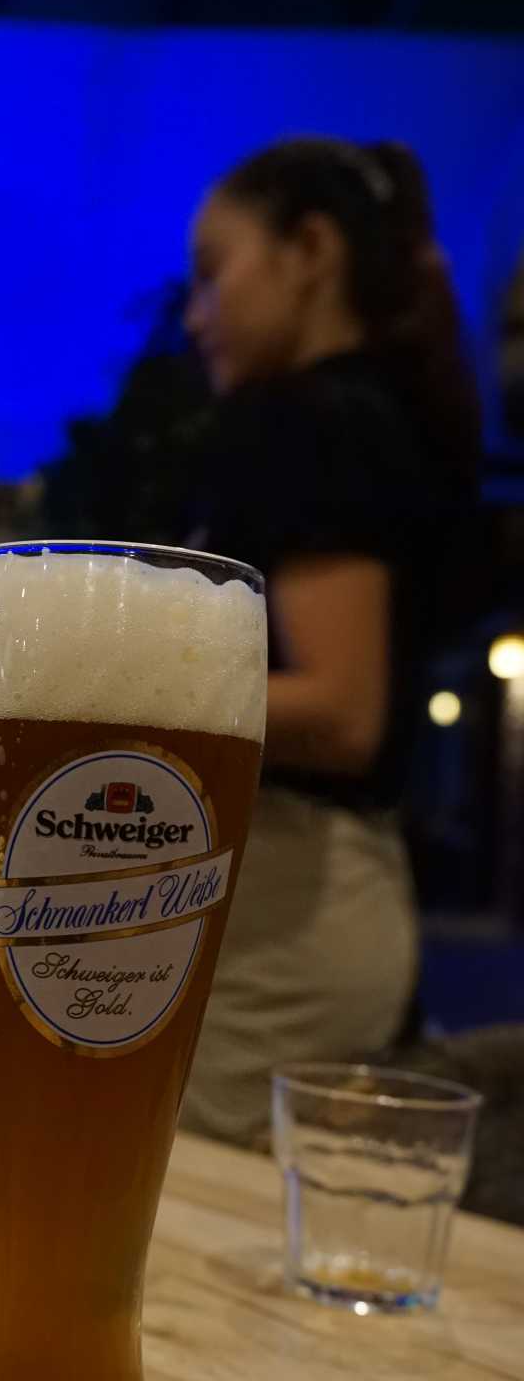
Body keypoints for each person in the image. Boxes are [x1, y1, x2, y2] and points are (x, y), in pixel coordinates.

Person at [178, 136, 482, 1146]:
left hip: (290, 906)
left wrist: (119, 690)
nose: (196, 315)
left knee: (184, 1206)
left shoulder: (312, 421)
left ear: (308, 250)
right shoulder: (374, 416)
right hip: (317, 897)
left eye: (213, 273)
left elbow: (344, 710)